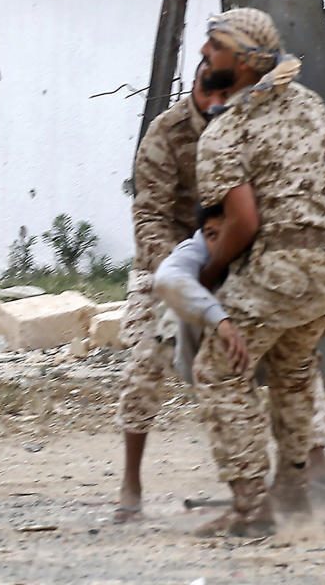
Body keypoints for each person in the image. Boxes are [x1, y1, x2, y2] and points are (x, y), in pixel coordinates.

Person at [191, 6, 325, 537]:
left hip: (279, 272)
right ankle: (294, 490)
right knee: (291, 370)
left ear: (241, 63)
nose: (203, 54)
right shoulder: (308, 103)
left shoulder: (227, 131)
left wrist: (213, 273)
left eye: (213, 47)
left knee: (217, 371)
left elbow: (241, 222)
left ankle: (249, 508)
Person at [154, 203, 325, 503]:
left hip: (264, 332)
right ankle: (250, 494)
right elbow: (170, 280)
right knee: (229, 397)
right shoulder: (199, 252)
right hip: (208, 342)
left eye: (227, 232)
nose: (219, 242)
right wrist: (218, 319)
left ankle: (312, 469)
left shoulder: (273, 247)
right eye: (211, 234)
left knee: (301, 371)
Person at [114, 61, 233, 522]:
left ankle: (309, 466)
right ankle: (131, 481)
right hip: (167, 259)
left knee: (291, 353)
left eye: (226, 88)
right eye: (208, 87)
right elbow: (149, 217)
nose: (216, 99)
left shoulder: (251, 128)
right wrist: (178, 274)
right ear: (195, 86)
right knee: (146, 364)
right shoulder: (166, 133)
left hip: (231, 251)